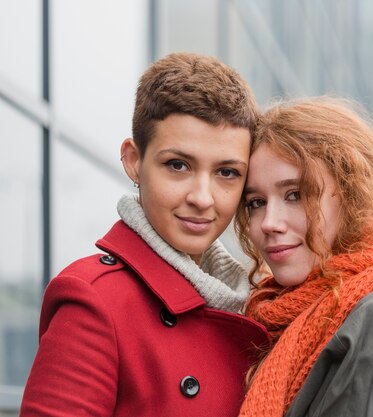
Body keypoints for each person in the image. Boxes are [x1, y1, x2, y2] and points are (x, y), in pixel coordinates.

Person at [20, 53, 269, 417]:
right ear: (134, 160)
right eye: (178, 165)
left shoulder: (258, 302)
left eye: (227, 173)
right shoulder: (95, 299)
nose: (202, 198)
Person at [234, 96, 373, 417]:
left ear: (353, 196)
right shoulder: (270, 325)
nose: (269, 223)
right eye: (256, 202)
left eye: (295, 195)